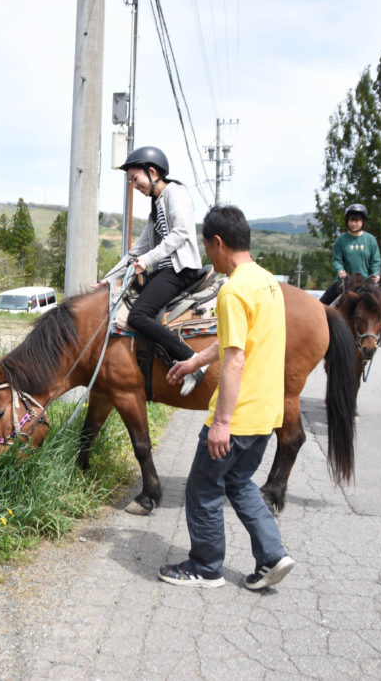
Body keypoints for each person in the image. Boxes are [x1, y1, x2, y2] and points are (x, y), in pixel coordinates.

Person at [160, 205, 295, 590]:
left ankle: (205, 567)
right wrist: (194, 362)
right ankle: (273, 557)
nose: (208, 257)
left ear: (218, 242)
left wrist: (221, 423)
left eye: (207, 248)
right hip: (266, 413)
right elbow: (236, 340)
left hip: (238, 416)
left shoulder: (233, 290)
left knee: (202, 489)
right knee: (238, 483)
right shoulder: (267, 282)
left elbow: (235, 358)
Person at [94, 146, 207, 396]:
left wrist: (148, 259)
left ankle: (195, 361)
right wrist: (108, 279)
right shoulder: (157, 205)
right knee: (128, 294)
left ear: (152, 171)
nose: (135, 185)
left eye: (135, 179)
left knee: (137, 316)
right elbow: (139, 249)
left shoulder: (175, 192)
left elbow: (181, 233)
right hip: (168, 270)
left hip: (181, 270)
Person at [320, 203, 381, 349]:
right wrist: (340, 270)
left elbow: (375, 260)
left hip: (366, 283)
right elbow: (336, 259)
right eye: (351, 220)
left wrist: (376, 273)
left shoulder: (370, 240)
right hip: (344, 282)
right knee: (321, 304)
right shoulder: (341, 240)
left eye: (357, 220)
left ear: (362, 222)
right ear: (347, 221)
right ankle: (318, 333)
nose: (354, 223)